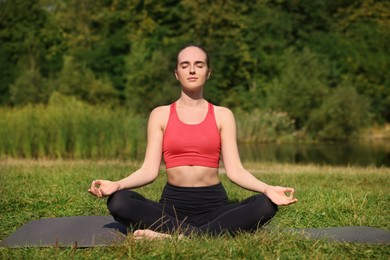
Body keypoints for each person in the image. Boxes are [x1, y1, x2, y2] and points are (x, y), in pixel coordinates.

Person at [88, 44, 298, 239]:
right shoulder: (160, 115)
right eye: (184, 65)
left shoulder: (222, 115)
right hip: (172, 208)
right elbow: (148, 171)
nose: (191, 70)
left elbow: (236, 172)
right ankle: (196, 235)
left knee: (265, 205)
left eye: (199, 65)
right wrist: (117, 184)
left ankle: (172, 236)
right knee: (119, 201)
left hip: (215, 207)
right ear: (176, 73)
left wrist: (267, 188)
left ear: (208, 73)